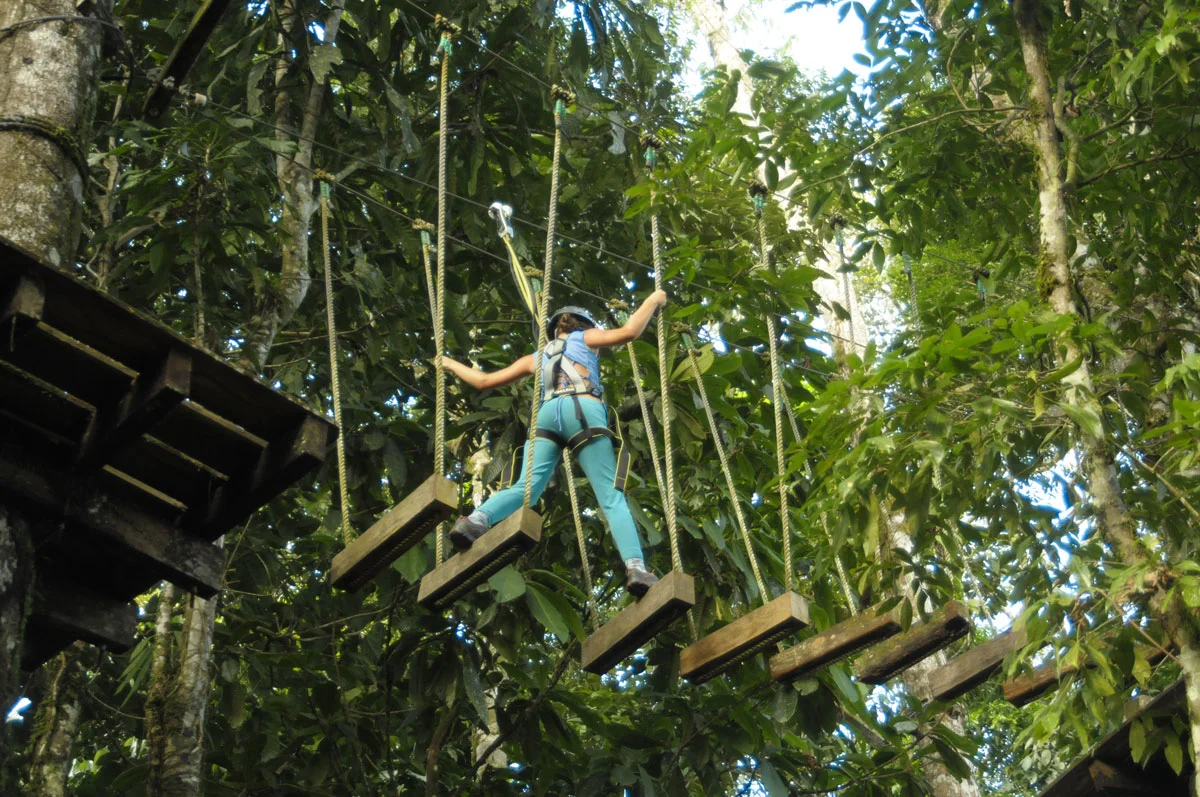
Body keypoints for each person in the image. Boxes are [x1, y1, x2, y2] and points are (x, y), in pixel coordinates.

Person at [441, 290, 668, 597]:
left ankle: (475, 521)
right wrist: (654, 300)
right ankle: (636, 567)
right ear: (582, 325)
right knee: (610, 497)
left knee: (527, 488)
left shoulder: (537, 357)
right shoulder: (586, 338)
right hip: (583, 410)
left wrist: (448, 363)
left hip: (547, 416)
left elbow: (483, 381)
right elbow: (629, 332)